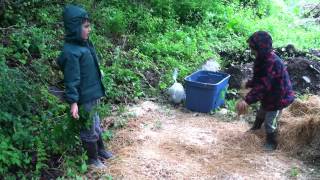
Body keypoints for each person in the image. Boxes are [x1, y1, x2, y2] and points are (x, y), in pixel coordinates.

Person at [57, 5, 112, 168]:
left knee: (95, 121)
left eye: (89, 26)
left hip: (93, 93)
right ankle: (92, 158)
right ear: (75, 28)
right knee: (88, 126)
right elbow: (71, 80)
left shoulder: (84, 44)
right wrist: (73, 102)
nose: (90, 30)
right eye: (86, 26)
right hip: (84, 96)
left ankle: (100, 149)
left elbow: (91, 64)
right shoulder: (71, 52)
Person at [236, 31, 295, 151]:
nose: (252, 51)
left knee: (270, 121)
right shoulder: (262, 59)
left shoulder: (271, 62)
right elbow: (260, 79)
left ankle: (271, 141)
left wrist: (247, 100)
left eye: (253, 48)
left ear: (260, 48)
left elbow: (263, 85)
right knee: (261, 113)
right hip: (270, 95)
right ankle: (256, 129)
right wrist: (249, 83)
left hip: (279, 97)